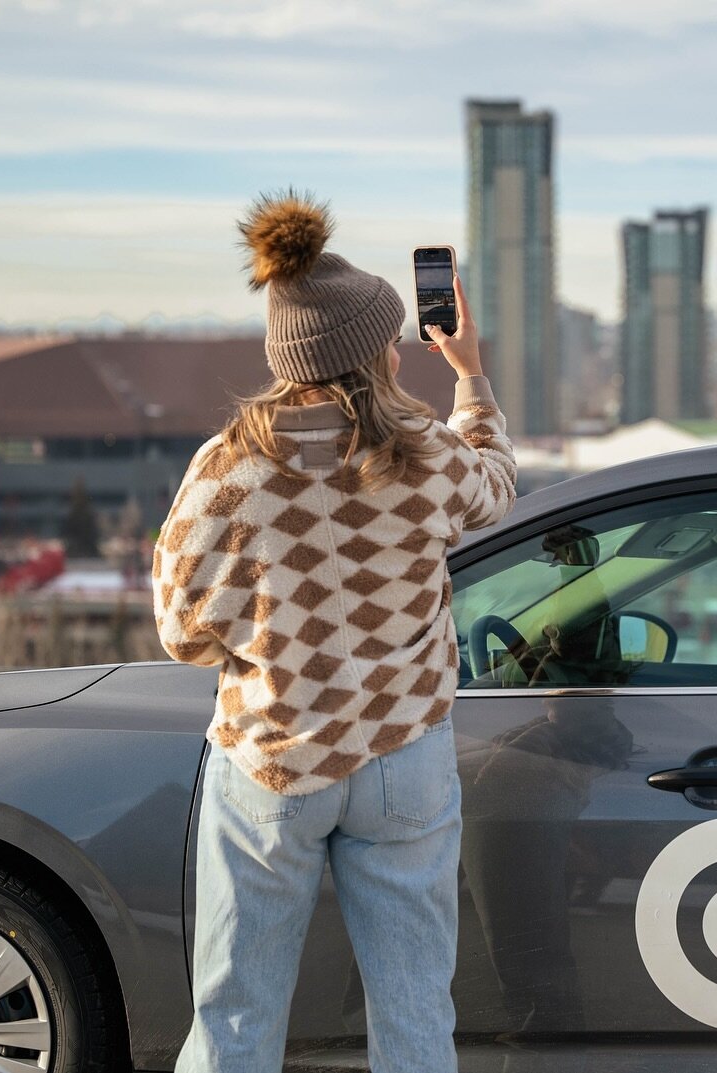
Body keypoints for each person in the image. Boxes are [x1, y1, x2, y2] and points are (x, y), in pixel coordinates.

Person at [152, 191, 516, 1073]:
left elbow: (180, 627)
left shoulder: (230, 467)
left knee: (236, 1015)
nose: (397, 349)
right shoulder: (425, 451)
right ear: (365, 355)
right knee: (416, 1009)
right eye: (387, 338)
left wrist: (270, 637)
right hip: (404, 755)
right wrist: (468, 373)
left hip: (273, 758)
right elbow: (498, 485)